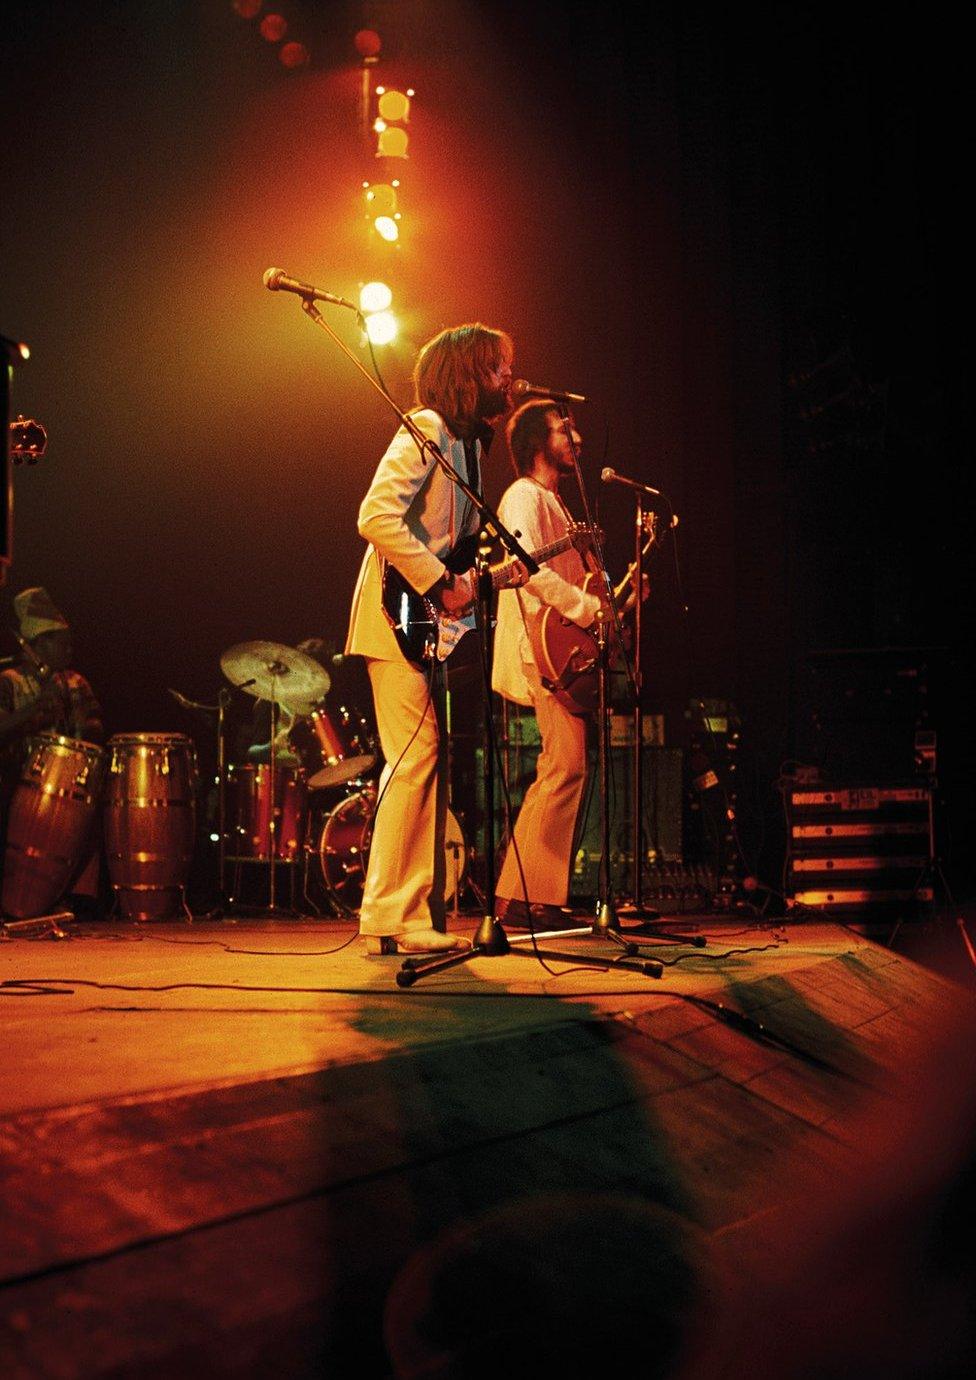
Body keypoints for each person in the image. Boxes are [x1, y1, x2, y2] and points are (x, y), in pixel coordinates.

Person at [345, 323, 519, 955]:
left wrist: (479, 584)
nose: (510, 379)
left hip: (419, 621)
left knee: (424, 757)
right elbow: (375, 515)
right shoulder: (426, 427)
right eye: (500, 368)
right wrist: (440, 581)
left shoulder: (469, 448)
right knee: (414, 758)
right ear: (470, 373)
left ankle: (406, 910)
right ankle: (390, 912)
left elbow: (455, 551)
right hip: (391, 617)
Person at [491, 401, 605, 930]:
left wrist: (615, 597)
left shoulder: (554, 502)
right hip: (541, 648)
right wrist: (586, 607)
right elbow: (527, 568)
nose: (577, 437)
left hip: (562, 648)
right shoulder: (522, 496)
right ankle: (523, 897)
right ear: (540, 439)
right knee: (565, 766)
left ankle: (528, 894)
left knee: (563, 766)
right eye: (566, 429)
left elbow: (577, 584)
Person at [0, 586, 104, 914]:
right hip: (18, 779)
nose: (69, 649)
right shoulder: (9, 680)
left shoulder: (75, 682)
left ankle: (77, 900)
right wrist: (32, 712)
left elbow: (98, 728)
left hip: (69, 784)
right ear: (38, 645)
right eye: (61, 642)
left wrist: (83, 723)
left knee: (93, 810)